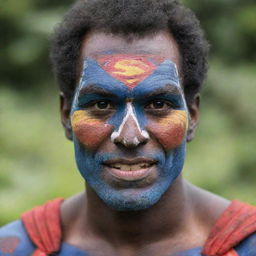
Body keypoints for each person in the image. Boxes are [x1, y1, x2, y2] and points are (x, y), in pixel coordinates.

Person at [1, 0, 256, 255]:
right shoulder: (17, 248)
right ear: (67, 115)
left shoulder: (246, 245)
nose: (130, 137)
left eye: (158, 103)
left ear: (192, 115)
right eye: (101, 104)